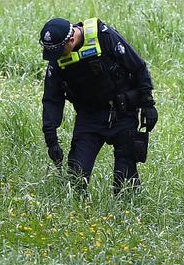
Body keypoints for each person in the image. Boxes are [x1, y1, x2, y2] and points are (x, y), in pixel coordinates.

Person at [40, 17, 157, 193]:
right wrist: (51, 140)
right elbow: (51, 98)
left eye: (58, 51)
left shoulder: (105, 37)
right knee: (76, 178)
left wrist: (148, 103)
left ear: (71, 40)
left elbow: (138, 67)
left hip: (122, 112)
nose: (54, 58)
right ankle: (80, 216)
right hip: (89, 116)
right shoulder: (57, 58)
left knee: (125, 183)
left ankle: (127, 215)